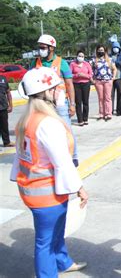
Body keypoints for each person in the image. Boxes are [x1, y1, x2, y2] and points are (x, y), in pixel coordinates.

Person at [10, 67, 88, 277]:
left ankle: (62, 262)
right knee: (44, 241)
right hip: (48, 194)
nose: (59, 90)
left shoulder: (26, 119)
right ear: (47, 92)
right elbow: (62, 162)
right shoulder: (48, 124)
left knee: (56, 231)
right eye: (56, 87)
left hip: (34, 190)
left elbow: (19, 158)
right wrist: (79, 187)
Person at [32, 34, 78, 166]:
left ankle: (73, 157)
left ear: (51, 48)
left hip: (60, 103)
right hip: (41, 103)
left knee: (66, 130)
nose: (40, 50)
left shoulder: (61, 63)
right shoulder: (35, 63)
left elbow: (69, 84)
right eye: (39, 47)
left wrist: (72, 104)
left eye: (43, 47)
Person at [92, 45, 116, 121]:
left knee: (107, 98)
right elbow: (90, 71)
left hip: (108, 80)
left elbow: (114, 69)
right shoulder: (94, 60)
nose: (101, 52)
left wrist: (113, 78)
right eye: (99, 50)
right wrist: (93, 80)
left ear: (105, 51)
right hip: (98, 81)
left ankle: (108, 113)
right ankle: (101, 113)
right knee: (101, 98)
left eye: (102, 50)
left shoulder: (110, 60)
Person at [70, 50, 92, 126]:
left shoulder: (87, 64)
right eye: (79, 56)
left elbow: (90, 75)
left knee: (85, 102)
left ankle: (85, 118)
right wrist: (77, 75)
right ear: (76, 56)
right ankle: (80, 119)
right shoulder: (72, 64)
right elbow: (70, 75)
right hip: (76, 84)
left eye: (82, 56)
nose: (81, 58)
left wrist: (84, 75)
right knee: (78, 102)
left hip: (86, 84)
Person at [110, 41, 121, 116]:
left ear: (119, 48)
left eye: (117, 47)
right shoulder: (109, 56)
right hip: (111, 78)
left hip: (120, 77)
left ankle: (119, 111)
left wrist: (116, 62)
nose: (115, 49)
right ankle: (110, 110)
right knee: (110, 95)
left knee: (120, 94)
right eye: (114, 47)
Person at [0, 73, 13, 147]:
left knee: (4, 126)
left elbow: (8, 92)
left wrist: (10, 105)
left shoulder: (3, 79)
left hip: (3, 107)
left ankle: (7, 142)